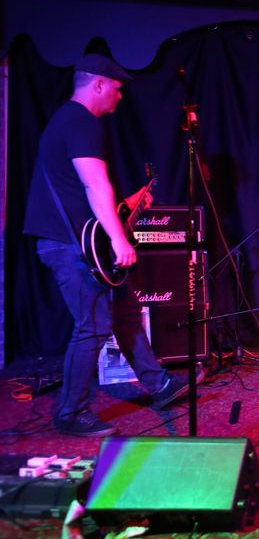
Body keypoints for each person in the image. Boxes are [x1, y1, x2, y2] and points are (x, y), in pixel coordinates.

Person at [23, 54, 192, 437]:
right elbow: (94, 184)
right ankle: (71, 413)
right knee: (93, 327)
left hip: (78, 242)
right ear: (98, 84)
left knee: (126, 314)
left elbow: (84, 195)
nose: (120, 96)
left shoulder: (67, 121)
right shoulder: (80, 122)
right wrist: (118, 240)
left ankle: (160, 384)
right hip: (71, 246)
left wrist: (128, 207)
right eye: (116, 89)